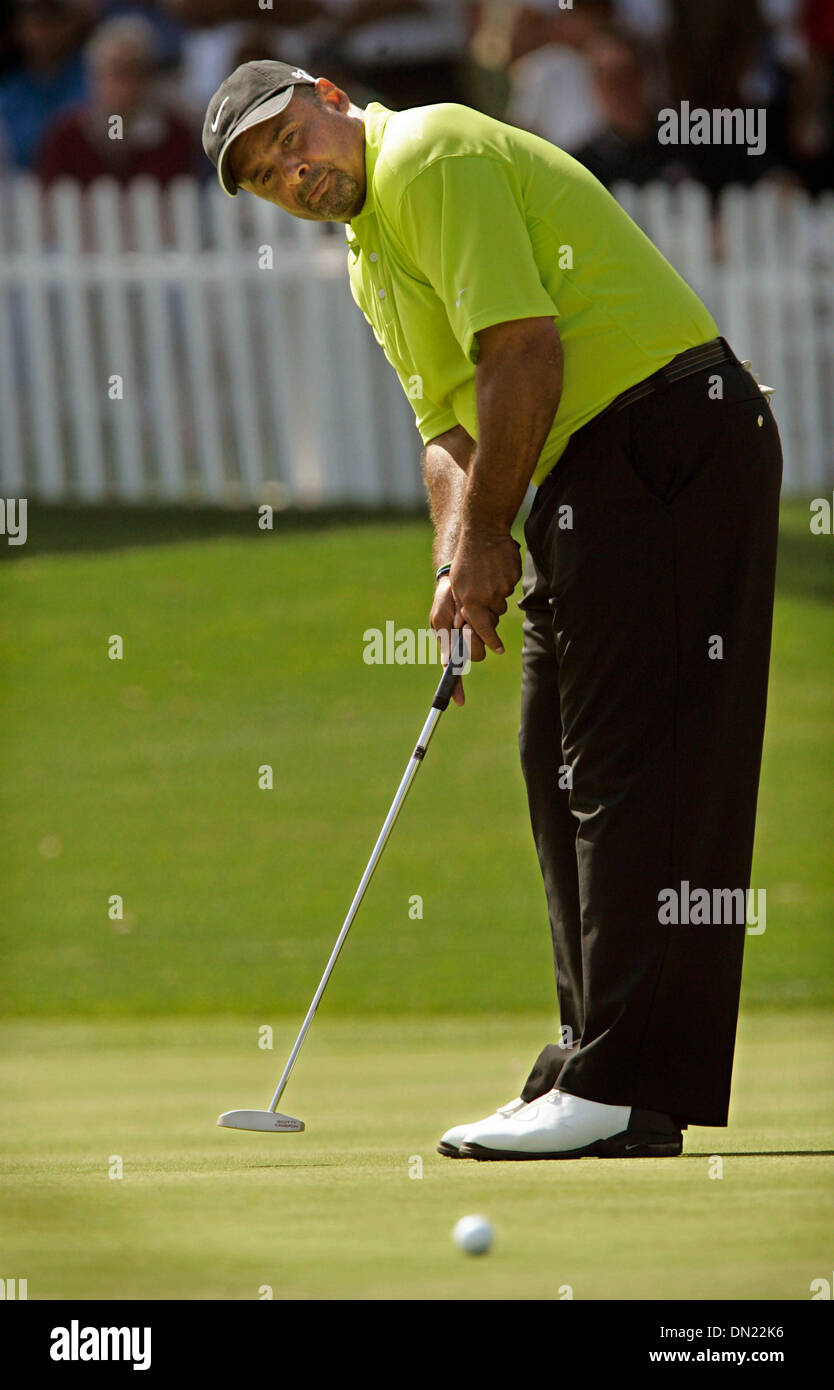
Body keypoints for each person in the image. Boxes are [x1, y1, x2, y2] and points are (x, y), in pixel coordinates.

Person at [201, 61, 782, 1160]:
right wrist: (454, 561)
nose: (289, 173)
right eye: (263, 176)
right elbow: (449, 428)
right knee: (555, 763)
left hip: (663, 439)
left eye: (286, 140)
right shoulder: (369, 254)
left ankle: (617, 1080)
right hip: (598, 471)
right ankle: (601, 1071)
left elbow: (523, 350)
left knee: (629, 767)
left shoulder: (430, 155)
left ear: (329, 96)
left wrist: (485, 539)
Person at [37, 14, 196, 185]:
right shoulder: (66, 136)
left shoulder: (174, 135)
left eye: (136, 70)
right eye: (117, 71)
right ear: (95, 76)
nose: (127, 83)